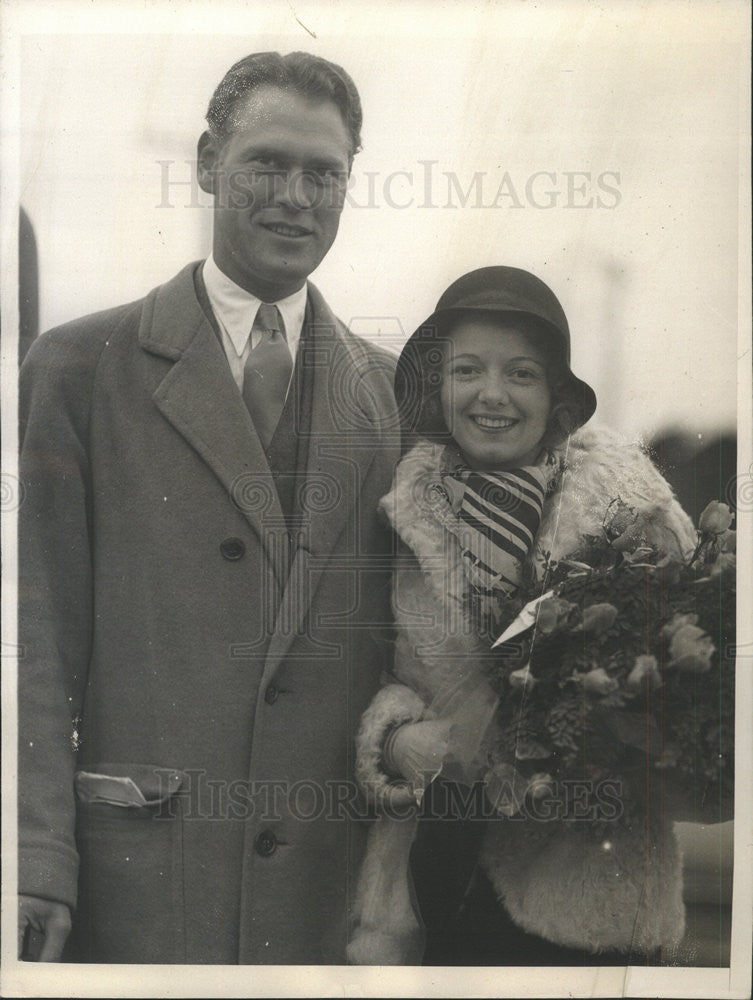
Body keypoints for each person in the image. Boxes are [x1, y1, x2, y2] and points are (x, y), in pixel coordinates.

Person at [18, 51, 400, 965]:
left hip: (322, 899)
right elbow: (34, 644)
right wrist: (35, 860)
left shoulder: (393, 397)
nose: (295, 197)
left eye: (324, 174)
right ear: (203, 163)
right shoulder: (78, 369)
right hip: (140, 883)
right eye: (265, 164)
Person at [347, 265, 699, 966]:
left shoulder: (634, 508)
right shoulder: (404, 507)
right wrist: (395, 742)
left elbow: (699, 703)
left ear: (557, 396)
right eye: (466, 370)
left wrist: (606, 733)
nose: (491, 395)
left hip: (584, 899)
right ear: (437, 386)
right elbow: (384, 675)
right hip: (433, 883)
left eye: (521, 373)